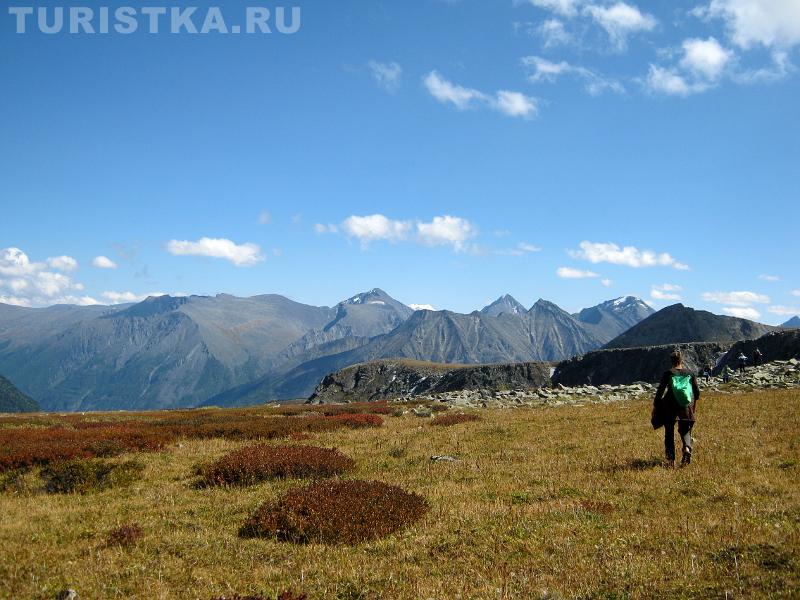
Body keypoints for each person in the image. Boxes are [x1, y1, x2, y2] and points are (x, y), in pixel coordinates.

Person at [653, 351, 700, 467]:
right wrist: (692, 403)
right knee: (684, 429)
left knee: (669, 432)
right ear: (681, 360)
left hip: (669, 405)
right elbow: (697, 393)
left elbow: (659, 393)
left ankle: (671, 461)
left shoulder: (668, 373)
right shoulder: (689, 373)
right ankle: (687, 449)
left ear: (671, 361)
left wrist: (655, 406)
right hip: (685, 405)